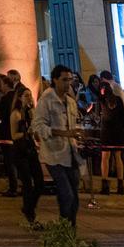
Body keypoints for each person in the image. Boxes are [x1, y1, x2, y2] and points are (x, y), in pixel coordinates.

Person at [33, 65, 84, 227]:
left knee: (74, 195)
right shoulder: (46, 100)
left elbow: (73, 123)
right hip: (54, 154)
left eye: (70, 80)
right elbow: (38, 126)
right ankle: (64, 226)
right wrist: (62, 133)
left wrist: (77, 133)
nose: (68, 83)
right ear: (55, 80)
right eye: (64, 80)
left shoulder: (70, 101)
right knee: (66, 193)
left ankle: (70, 226)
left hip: (71, 152)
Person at [9, 85, 44, 226]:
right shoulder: (16, 114)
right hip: (20, 150)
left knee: (40, 182)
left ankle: (29, 207)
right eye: (26, 96)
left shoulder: (30, 113)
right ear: (19, 98)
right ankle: (29, 213)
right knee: (27, 184)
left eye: (30, 95)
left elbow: (35, 131)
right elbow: (13, 135)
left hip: (30, 149)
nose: (29, 98)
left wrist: (38, 138)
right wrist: (26, 133)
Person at [97, 83, 124, 195]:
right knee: (118, 157)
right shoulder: (118, 99)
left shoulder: (101, 100)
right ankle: (120, 186)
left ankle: (105, 186)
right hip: (118, 131)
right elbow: (123, 114)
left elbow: (97, 115)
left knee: (105, 158)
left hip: (106, 131)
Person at [0, 73, 19, 197]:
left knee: (9, 162)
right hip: (16, 134)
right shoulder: (17, 96)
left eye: (1, 84)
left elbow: (0, 115)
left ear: (6, 84)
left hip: (7, 133)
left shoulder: (6, 98)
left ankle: (13, 188)